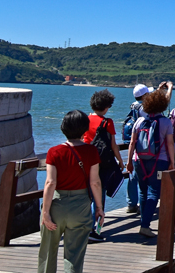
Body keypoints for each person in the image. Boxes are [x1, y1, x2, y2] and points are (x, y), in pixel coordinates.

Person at [38, 110, 104, 273]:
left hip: (57, 205)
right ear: (84, 130)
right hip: (80, 206)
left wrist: (45, 212)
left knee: (48, 251)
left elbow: (50, 183)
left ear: (63, 127)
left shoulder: (54, 152)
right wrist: (99, 208)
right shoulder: (91, 151)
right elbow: (95, 182)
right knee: (74, 255)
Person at [126, 87, 175, 237]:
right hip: (159, 161)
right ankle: (145, 225)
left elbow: (132, 143)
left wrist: (129, 161)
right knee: (155, 191)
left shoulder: (140, 120)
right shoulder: (166, 122)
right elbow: (170, 144)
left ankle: (144, 221)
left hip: (138, 161)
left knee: (143, 190)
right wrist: (172, 162)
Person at [82, 90, 123, 242]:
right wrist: (120, 160)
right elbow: (113, 144)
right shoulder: (108, 122)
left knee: (86, 195)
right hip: (102, 164)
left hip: (86, 161)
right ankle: (96, 230)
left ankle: (83, 227)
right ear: (106, 107)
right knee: (99, 196)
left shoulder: (85, 119)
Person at [122, 84, 150, 214]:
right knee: (143, 175)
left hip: (131, 143)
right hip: (142, 143)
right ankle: (143, 203)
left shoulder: (133, 105)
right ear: (144, 95)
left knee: (133, 176)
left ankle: (131, 203)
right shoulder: (144, 108)